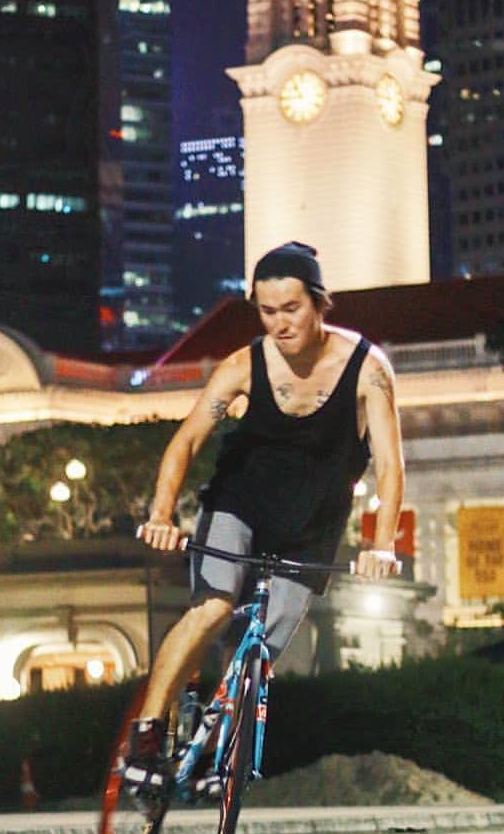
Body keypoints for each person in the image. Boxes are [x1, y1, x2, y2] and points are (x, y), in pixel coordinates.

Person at [126, 240, 404, 797]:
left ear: (321, 304)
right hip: (240, 504)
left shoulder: (368, 371)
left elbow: (391, 468)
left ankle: (219, 742)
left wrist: (382, 545)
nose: (279, 324)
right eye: (266, 311)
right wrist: (161, 513)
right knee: (213, 607)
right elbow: (186, 442)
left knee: (268, 646)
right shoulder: (241, 368)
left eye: (291, 309)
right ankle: (147, 736)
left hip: (313, 523)